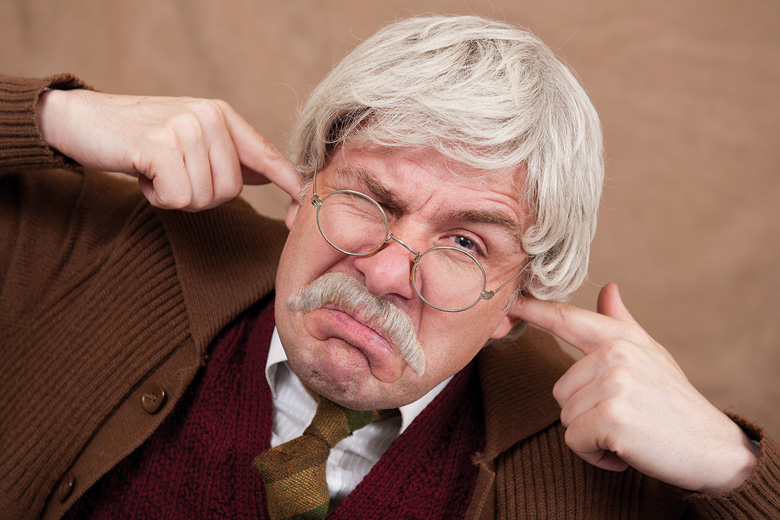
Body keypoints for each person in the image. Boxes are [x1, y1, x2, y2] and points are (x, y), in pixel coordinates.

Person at [1, 14, 777, 520]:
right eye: (370, 198)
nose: (384, 275)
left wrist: (736, 472)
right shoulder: (98, 253)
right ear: (303, 188)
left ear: (518, 299)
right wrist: (52, 116)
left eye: (465, 244)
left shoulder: (605, 472)